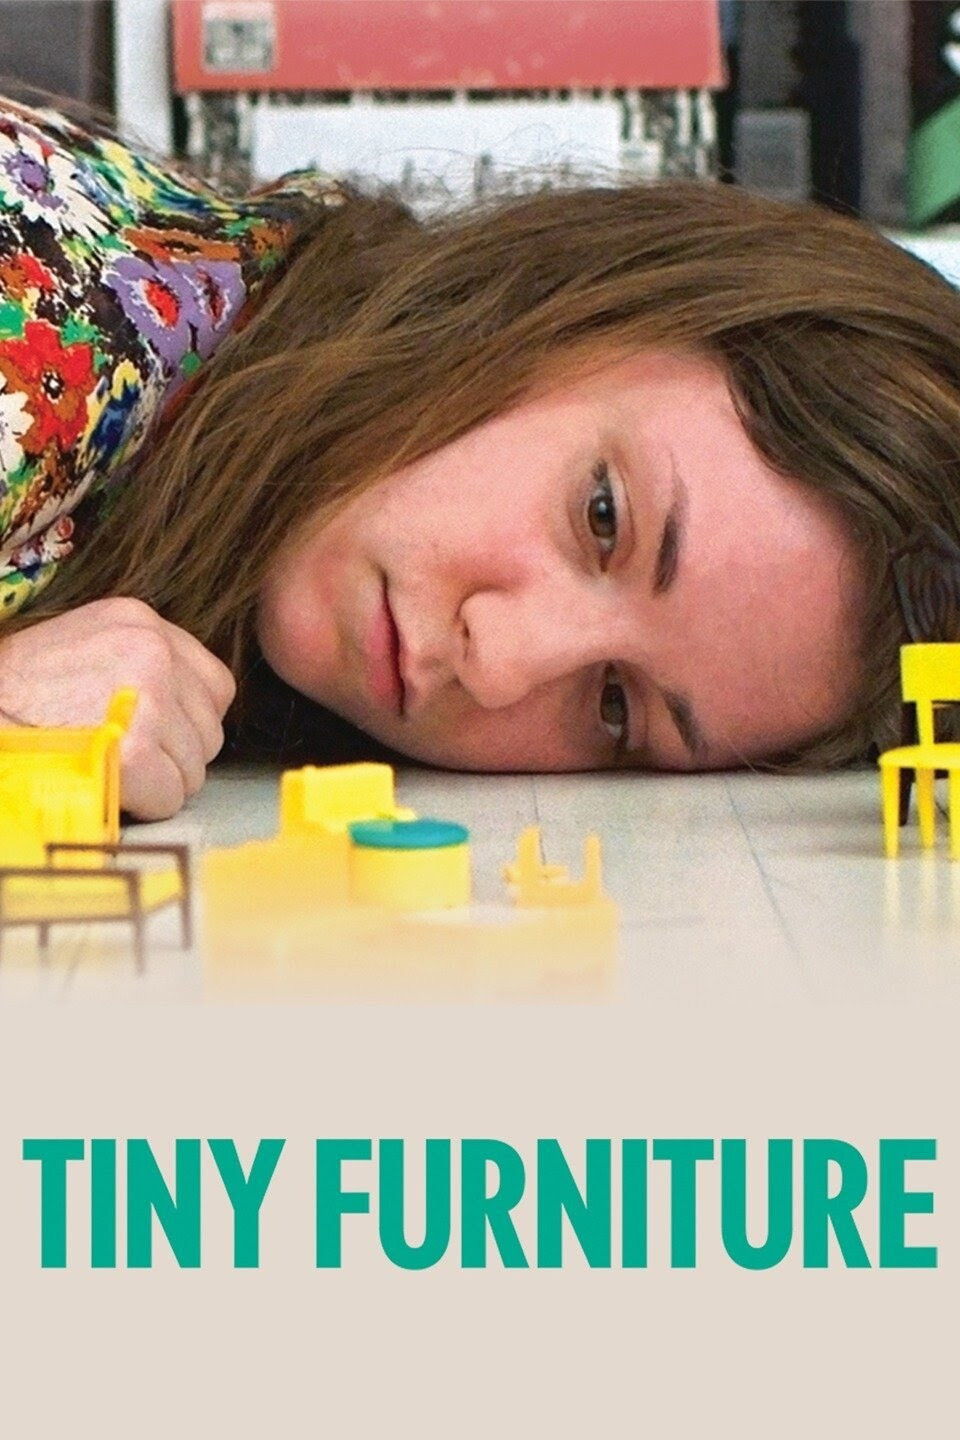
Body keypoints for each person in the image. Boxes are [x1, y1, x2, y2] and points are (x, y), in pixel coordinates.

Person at [2, 94, 960, 821]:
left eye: (615, 709)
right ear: (570, 299)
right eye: (601, 518)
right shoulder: (48, 326)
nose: (499, 664)